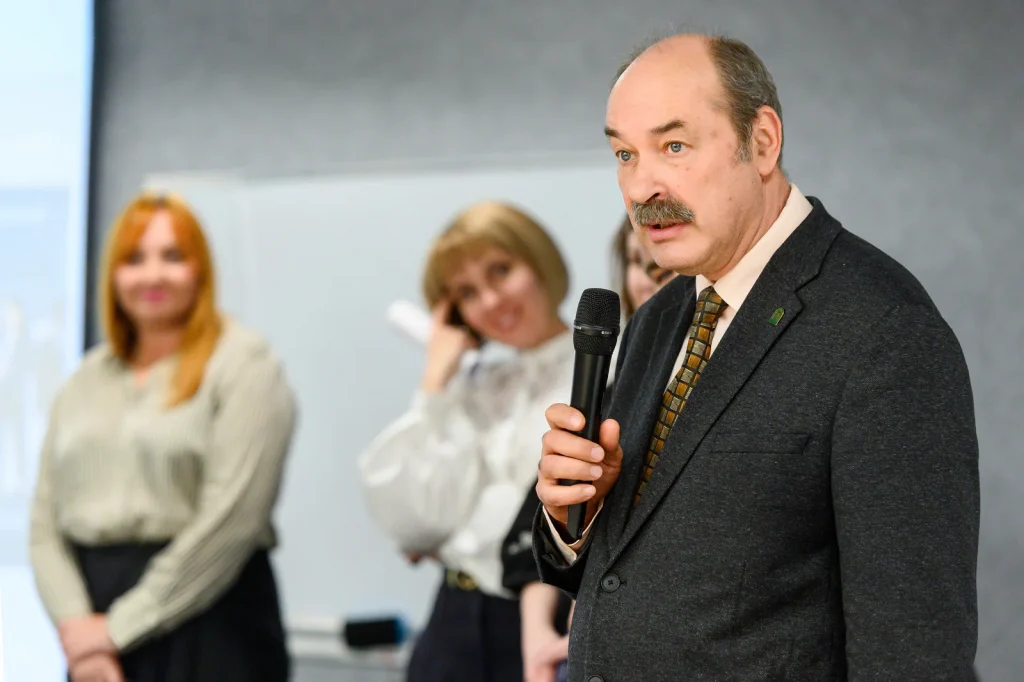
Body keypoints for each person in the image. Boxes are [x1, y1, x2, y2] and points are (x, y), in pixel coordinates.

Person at [533, 33, 980, 681]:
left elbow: (913, 649)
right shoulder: (659, 318)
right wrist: (575, 514)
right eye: (625, 154)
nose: (642, 186)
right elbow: (626, 578)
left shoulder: (883, 330)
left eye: (674, 146)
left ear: (763, 142)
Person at [29, 191, 297, 682]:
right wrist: (79, 633)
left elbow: (232, 523)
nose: (152, 276)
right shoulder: (85, 379)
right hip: (95, 633)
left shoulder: (245, 366)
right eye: (134, 259)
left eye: (172, 257)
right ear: (113, 275)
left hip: (211, 623)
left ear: (200, 270)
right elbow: (45, 524)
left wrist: (119, 628)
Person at [359, 201, 575, 682]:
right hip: (452, 618)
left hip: (541, 620)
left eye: (501, 271)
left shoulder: (607, 370)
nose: (491, 301)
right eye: (467, 293)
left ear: (539, 260)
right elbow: (414, 520)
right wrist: (436, 377)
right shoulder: (478, 387)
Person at [500, 213, 679, 682]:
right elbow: (538, 520)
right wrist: (538, 634)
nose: (650, 276)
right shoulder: (616, 387)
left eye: (663, 264)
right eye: (639, 262)